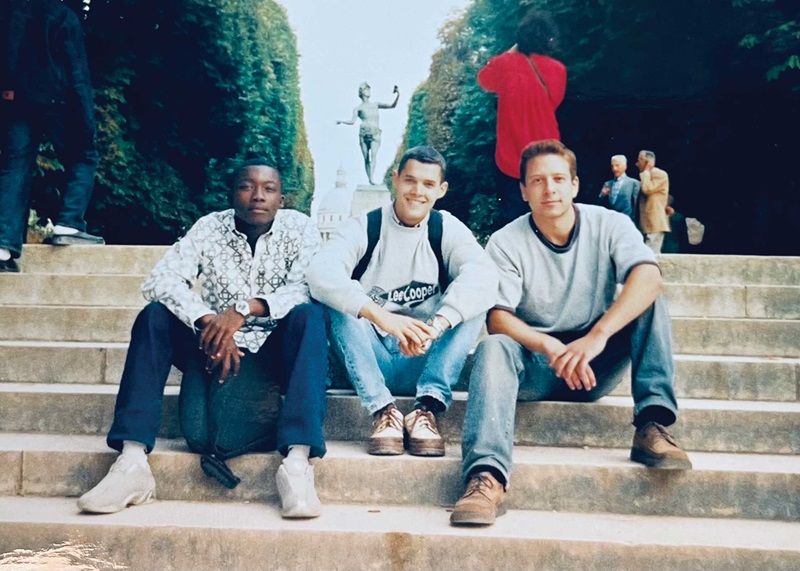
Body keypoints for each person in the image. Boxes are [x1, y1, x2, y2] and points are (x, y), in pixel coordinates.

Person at [451, 140, 691, 527]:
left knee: (647, 298)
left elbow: (649, 277)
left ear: (575, 185)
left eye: (559, 179)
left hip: (594, 363)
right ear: (524, 190)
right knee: (494, 347)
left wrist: (596, 337)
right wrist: (549, 345)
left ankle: (652, 424)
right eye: (538, 181)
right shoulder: (506, 242)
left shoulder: (609, 224)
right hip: (536, 364)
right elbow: (497, 318)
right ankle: (487, 476)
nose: (550, 189)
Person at [76, 158, 329, 519]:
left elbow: (307, 289)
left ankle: (298, 465)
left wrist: (243, 310)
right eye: (247, 186)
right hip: (211, 344)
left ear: (282, 200)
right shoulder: (209, 228)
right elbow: (160, 281)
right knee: (155, 316)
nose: (258, 196)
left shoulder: (301, 229)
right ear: (232, 194)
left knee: (311, 316)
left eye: (268, 189)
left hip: (272, 347)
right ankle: (132, 462)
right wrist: (208, 321)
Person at [308, 146, 497, 457]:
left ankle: (427, 408)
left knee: (473, 302)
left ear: (441, 190)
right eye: (410, 180)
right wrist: (383, 317)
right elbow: (320, 272)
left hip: (425, 355)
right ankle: (383, 411)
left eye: (428, 184)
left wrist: (434, 327)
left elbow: (485, 276)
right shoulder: (364, 226)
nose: (417, 191)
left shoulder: (445, 227)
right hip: (370, 355)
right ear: (395, 180)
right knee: (337, 301)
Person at [0, 0, 103, 273]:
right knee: (83, 156)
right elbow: (77, 74)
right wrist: (86, 119)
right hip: (59, 101)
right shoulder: (62, 16)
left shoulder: (9, 11)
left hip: (16, 101)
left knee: (15, 168)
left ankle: (3, 249)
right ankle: (69, 223)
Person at [478, 10, 566, 227]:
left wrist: (515, 49)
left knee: (512, 219)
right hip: (547, 152)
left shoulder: (505, 64)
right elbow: (554, 102)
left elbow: (484, 79)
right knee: (546, 213)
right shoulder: (558, 70)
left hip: (510, 156)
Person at [336, 82, 399, 185]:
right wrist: (342, 121)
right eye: (366, 89)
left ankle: (372, 178)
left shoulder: (376, 105)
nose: (369, 91)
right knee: (366, 157)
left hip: (375, 133)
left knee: (374, 155)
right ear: (361, 92)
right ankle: (370, 178)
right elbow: (352, 121)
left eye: (369, 89)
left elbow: (392, 106)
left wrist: (398, 95)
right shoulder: (358, 108)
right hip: (363, 133)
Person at [637, 150, 670, 254]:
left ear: (648, 162)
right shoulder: (645, 177)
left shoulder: (660, 174)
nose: (637, 164)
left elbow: (647, 189)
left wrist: (646, 171)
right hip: (646, 223)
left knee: (651, 253)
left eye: (640, 160)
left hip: (655, 221)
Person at [599, 154, 640, 222]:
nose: (614, 169)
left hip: (628, 221)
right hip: (611, 221)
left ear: (625, 166)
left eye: (617, 165)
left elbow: (637, 207)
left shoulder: (634, 183)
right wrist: (602, 196)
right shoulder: (608, 184)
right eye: (612, 166)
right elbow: (601, 205)